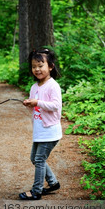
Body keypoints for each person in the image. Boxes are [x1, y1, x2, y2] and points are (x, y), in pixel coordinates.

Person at [19, 48, 62, 200]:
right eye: (33, 66)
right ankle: (53, 183)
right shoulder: (34, 87)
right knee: (35, 158)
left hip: (50, 131)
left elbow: (55, 105)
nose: (37, 69)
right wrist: (31, 103)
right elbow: (37, 106)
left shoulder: (52, 86)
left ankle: (36, 191)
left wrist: (38, 102)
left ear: (50, 66)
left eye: (40, 65)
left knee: (39, 160)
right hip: (40, 130)